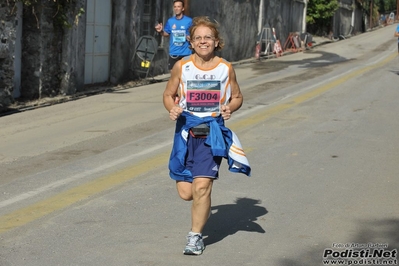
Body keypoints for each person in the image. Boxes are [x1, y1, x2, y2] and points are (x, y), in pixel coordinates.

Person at [162, 16, 251, 255]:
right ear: (191, 42)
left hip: (211, 133)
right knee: (186, 193)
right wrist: (172, 108)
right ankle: (202, 206)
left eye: (208, 37)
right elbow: (168, 94)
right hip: (185, 132)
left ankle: (195, 236)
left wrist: (229, 108)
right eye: (198, 38)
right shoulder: (181, 66)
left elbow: (237, 97)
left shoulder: (226, 68)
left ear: (216, 41)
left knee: (202, 187)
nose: (203, 42)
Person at [155, 0, 192, 70]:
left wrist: (191, 38)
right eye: (175, 7)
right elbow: (166, 34)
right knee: (174, 76)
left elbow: (194, 35)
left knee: (185, 77)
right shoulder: (170, 21)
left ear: (183, 8)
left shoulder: (189, 21)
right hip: (174, 53)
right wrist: (161, 31)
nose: (176, 8)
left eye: (178, 7)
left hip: (186, 53)